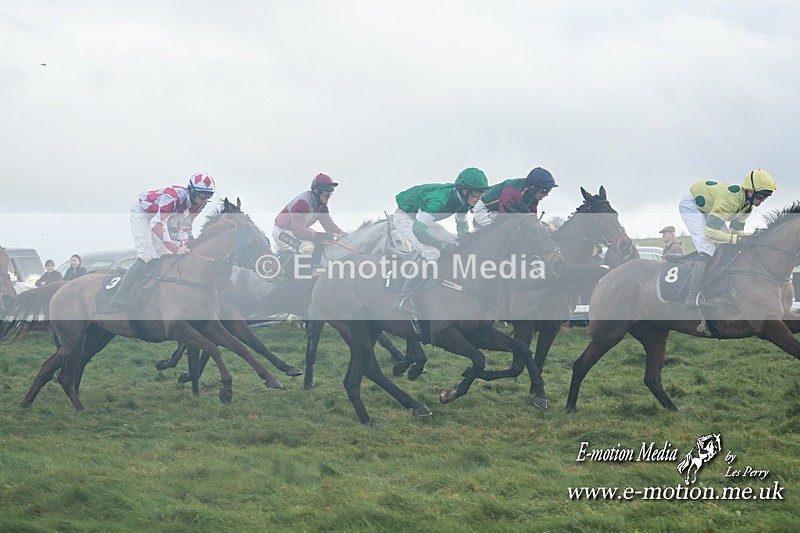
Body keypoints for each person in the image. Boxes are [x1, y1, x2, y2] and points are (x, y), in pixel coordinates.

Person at [110, 173, 215, 309]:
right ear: (192, 191)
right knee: (146, 254)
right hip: (143, 214)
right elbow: (156, 224)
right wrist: (177, 248)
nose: (205, 200)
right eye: (202, 195)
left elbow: (186, 227)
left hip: (162, 218)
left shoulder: (198, 205)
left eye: (209, 196)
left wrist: (186, 246)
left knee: (165, 256)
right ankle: (120, 295)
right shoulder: (172, 197)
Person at [391, 167, 489, 314]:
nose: (478, 198)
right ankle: (402, 299)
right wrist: (442, 245)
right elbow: (418, 229)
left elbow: (462, 227)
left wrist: (466, 244)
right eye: (476, 193)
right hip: (405, 217)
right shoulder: (440, 201)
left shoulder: (464, 201)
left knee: (455, 242)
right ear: (464, 190)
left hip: (420, 219)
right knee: (432, 252)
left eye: (482, 194)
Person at [678, 169, 777, 308]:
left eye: (764, 198)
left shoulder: (747, 207)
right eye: (760, 197)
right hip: (692, 205)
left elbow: (736, 231)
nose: (761, 202)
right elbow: (711, 233)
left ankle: (717, 287)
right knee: (708, 248)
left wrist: (750, 240)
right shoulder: (730, 202)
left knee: (725, 244)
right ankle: (691, 297)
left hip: (710, 207)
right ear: (750, 191)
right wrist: (738, 240)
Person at [273, 173, 345, 263]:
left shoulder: (321, 206)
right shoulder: (302, 203)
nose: (329, 196)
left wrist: (343, 234)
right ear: (317, 191)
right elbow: (298, 231)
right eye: (326, 193)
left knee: (325, 242)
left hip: (297, 230)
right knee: (308, 248)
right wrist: (320, 235)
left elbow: (329, 226)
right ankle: (284, 275)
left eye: (330, 192)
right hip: (282, 232)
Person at [473, 167, 558, 229]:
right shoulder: (513, 191)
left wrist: (545, 226)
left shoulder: (532, 197)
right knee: (511, 226)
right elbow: (505, 216)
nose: (546, 194)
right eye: (544, 190)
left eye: (549, 190)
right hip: (483, 211)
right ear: (533, 187)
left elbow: (532, 220)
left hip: (497, 210)